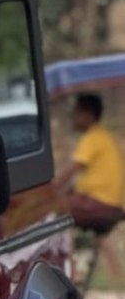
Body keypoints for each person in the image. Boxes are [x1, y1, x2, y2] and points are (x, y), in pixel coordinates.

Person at [53, 92, 125, 235]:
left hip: (100, 206)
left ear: (88, 114)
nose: (72, 118)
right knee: (63, 201)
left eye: (76, 113)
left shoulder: (92, 137)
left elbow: (70, 171)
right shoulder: (103, 136)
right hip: (112, 206)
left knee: (49, 207)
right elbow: (77, 182)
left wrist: (49, 190)